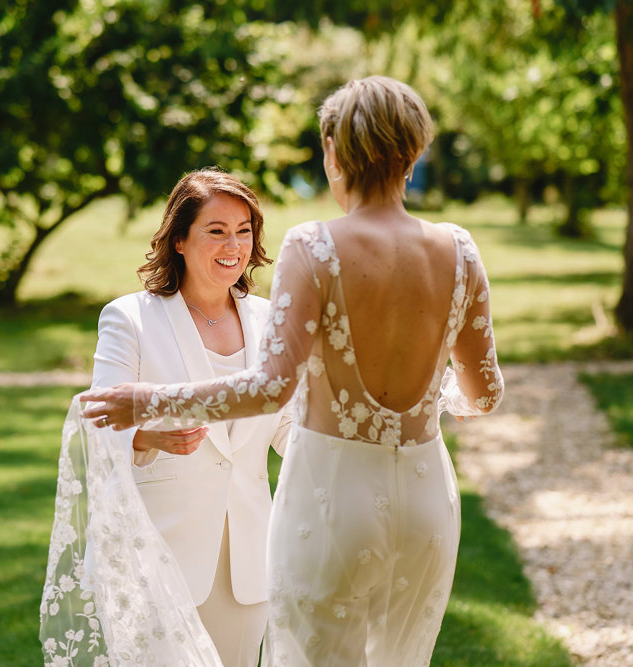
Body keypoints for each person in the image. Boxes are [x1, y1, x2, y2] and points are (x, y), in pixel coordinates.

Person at [82, 76, 504, 666]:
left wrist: (148, 402)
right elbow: (484, 395)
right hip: (429, 501)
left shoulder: (315, 245)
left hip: (335, 497)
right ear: (413, 153)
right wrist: (417, 403)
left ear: (334, 150)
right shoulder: (459, 248)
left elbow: (270, 387)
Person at [42, 168, 291, 667]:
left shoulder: (272, 321)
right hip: (156, 554)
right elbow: (98, 420)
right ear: (179, 239)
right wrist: (147, 436)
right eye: (216, 230)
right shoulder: (130, 318)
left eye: (244, 231)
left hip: (249, 562)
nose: (233, 245)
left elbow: (287, 430)